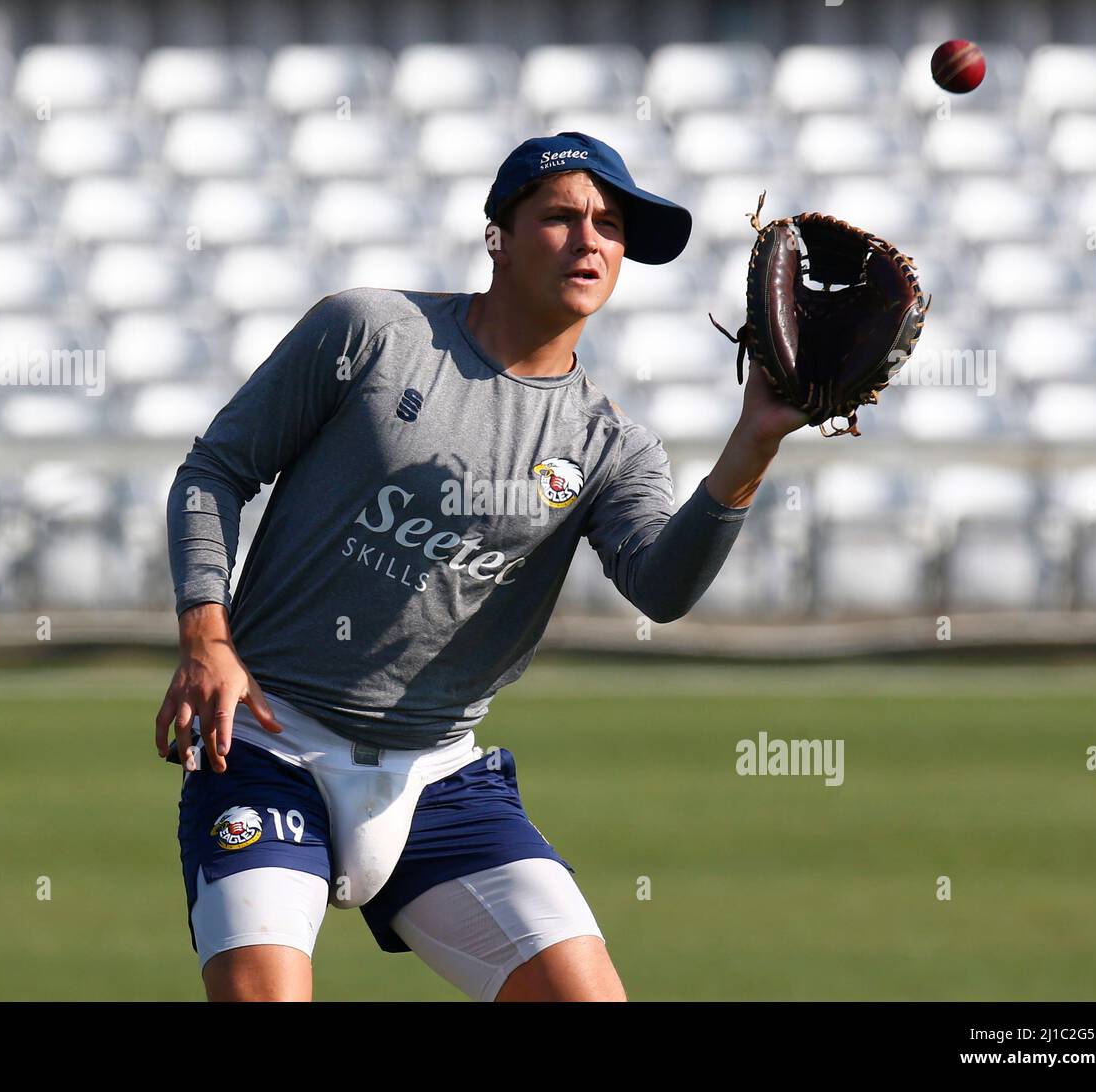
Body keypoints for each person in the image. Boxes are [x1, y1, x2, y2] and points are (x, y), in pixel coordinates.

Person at [156, 131, 808, 1002]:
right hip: (270, 742)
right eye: (562, 217)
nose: (590, 241)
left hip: (439, 777)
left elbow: (662, 586)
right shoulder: (371, 333)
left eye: (611, 227)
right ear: (497, 235)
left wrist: (754, 440)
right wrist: (207, 634)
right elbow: (214, 471)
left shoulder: (610, 445)